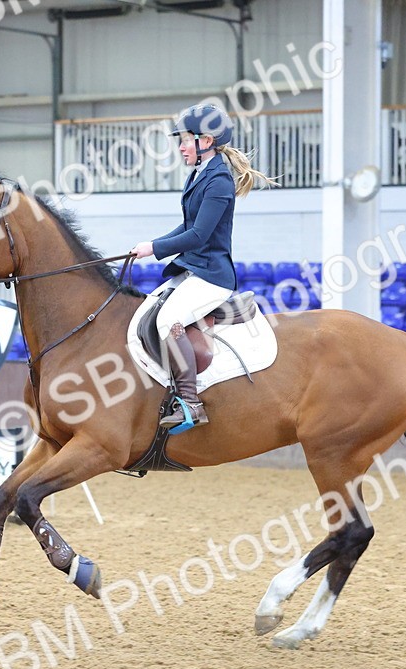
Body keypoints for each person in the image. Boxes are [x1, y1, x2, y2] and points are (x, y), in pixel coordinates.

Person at [131, 104, 277, 431]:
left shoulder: (219, 180)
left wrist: (154, 248)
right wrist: (148, 246)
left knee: (169, 321)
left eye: (185, 140)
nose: (180, 147)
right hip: (192, 270)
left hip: (212, 276)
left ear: (206, 140)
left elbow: (198, 235)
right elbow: (186, 224)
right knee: (149, 310)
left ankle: (190, 402)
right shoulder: (200, 174)